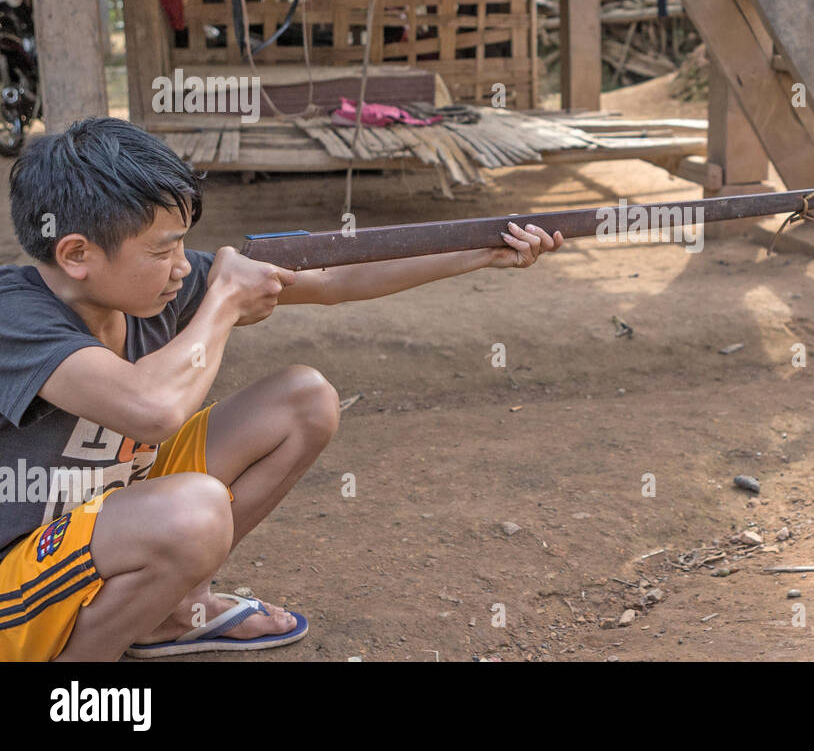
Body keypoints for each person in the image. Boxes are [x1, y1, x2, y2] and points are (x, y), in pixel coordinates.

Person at [0, 117, 563, 661]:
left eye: (180, 248)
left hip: (102, 526)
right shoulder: (13, 316)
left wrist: (482, 249)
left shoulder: (143, 288)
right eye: (161, 251)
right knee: (193, 513)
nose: (180, 268)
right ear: (76, 254)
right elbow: (152, 410)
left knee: (303, 399)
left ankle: (169, 611)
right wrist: (222, 303)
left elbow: (331, 280)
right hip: (16, 588)